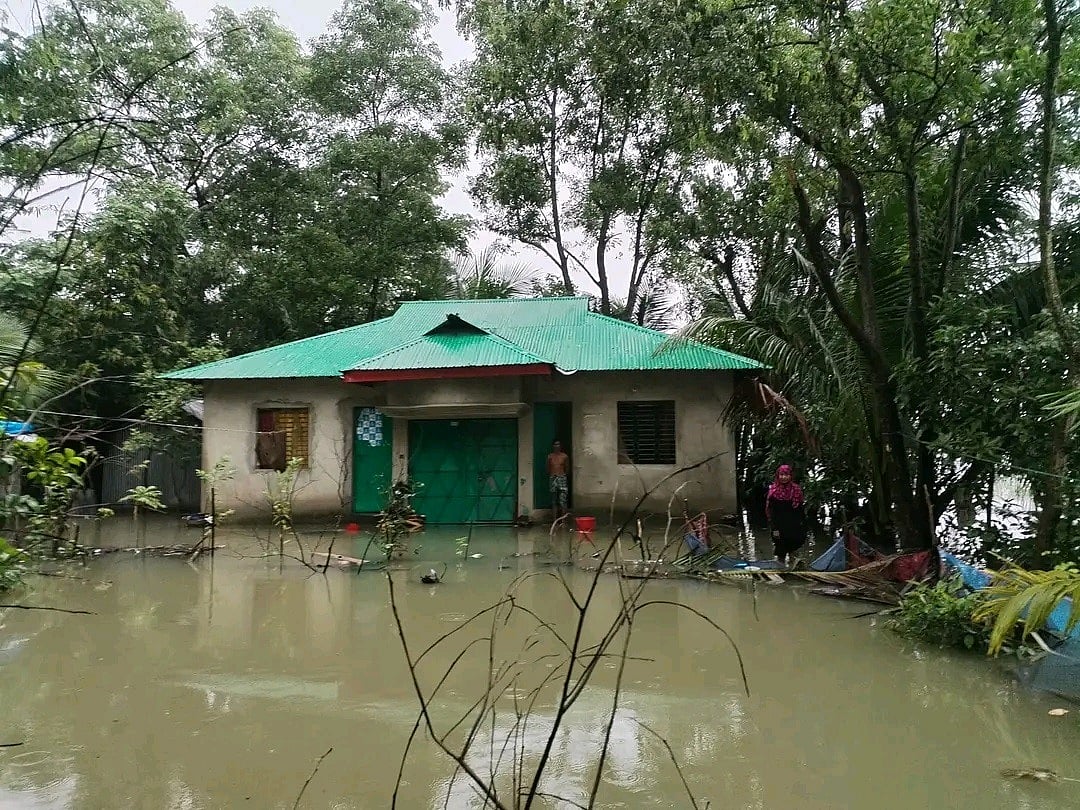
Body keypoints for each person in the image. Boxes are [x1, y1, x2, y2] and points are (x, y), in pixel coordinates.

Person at [766, 464, 806, 567]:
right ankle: (781, 570)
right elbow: (771, 512)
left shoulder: (796, 490)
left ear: (790, 476)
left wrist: (802, 524)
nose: (784, 477)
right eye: (781, 475)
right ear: (778, 476)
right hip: (779, 526)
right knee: (780, 551)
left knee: (794, 550)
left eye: (786, 475)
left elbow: (800, 509)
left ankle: (793, 572)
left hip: (794, 526)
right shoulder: (773, 491)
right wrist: (774, 528)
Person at [546, 441, 570, 521]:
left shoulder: (564, 456)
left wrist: (562, 475)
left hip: (562, 478)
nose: (557, 446)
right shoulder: (550, 456)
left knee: (563, 500)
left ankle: (563, 520)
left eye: (558, 444)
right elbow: (548, 468)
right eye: (555, 444)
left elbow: (567, 468)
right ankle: (554, 520)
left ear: (561, 446)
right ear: (553, 446)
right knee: (554, 500)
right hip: (553, 478)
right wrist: (553, 475)